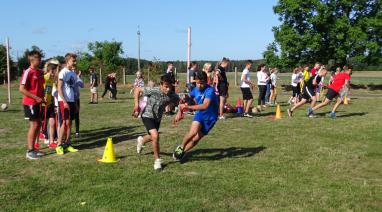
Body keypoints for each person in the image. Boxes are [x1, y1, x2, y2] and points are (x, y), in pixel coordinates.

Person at [133, 74, 180, 170]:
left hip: (157, 118)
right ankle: (157, 161)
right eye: (166, 87)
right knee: (155, 135)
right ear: (161, 85)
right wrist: (137, 105)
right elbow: (137, 90)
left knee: (152, 137)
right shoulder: (154, 90)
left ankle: (141, 140)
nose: (168, 89)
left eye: (170, 87)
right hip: (147, 115)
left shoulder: (172, 95)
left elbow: (178, 101)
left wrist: (172, 105)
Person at [172, 71, 219, 161]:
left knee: (196, 139)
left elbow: (205, 105)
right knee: (193, 132)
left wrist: (188, 107)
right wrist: (181, 106)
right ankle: (181, 147)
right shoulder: (195, 89)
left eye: (201, 83)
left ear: (206, 81)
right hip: (200, 114)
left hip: (210, 118)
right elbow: (187, 97)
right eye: (197, 83)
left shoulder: (210, 91)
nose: (199, 85)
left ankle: (183, 152)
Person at [19, 50, 45, 159]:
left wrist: (42, 98)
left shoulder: (39, 72)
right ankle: (30, 151)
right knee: (34, 125)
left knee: (38, 124)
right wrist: (36, 98)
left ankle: (34, 148)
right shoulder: (28, 72)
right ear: (32, 60)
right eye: (39, 59)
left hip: (38, 102)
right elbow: (21, 89)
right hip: (30, 103)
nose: (40, 61)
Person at [56, 53, 79, 155]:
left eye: (75, 61)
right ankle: (59, 145)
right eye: (73, 61)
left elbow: (74, 90)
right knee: (64, 123)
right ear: (67, 61)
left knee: (70, 123)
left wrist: (76, 103)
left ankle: (68, 144)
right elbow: (59, 88)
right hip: (63, 101)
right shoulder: (63, 72)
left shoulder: (73, 74)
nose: (75, 62)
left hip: (72, 101)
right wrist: (64, 101)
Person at [43, 60, 59, 149]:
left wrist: (54, 102)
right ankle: (35, 143)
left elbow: (52, 92)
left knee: (52, 123)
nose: (57, 73)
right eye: (56, 71)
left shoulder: (52, 79)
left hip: (50, 105)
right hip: (42, 105)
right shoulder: (44, 78)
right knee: (39, 126)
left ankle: (51, 141)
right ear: (52, 70)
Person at [73, 67, 84, 138]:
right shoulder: (67, 77)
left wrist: (78, 77)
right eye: (72, 70)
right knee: (68, 118)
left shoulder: (76, 78)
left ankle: (77, 131)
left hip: (76, 99)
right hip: (69, 100)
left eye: (74, 70)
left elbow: (82, 85)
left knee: (77, 115)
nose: (73, 71)